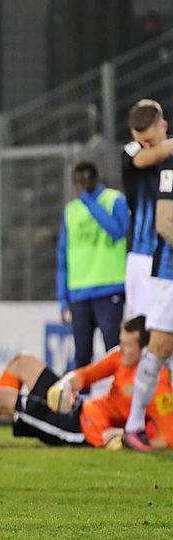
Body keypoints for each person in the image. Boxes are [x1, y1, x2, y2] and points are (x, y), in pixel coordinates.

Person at [0, 317, 173, 449]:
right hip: (78, 408)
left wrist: (128, 440)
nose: (121, 349)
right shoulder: (120, 358)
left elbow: (168, 437)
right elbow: (85, 375)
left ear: (146, 349)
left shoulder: (158, 384)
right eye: (121, 343)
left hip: (81, 431)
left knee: (2, 399)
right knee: (22, 362)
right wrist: (66, 385)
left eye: (128, 345)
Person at [123, 102, 173, 450]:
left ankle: (147, 421)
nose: (144, 143)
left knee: (161, 344)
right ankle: (130, 418)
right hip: (150, 261)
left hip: (158, 258)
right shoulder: (135, 153)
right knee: (145, 341)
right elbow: (145, 158)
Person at [56, 162, 128, 378]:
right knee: (81, 354)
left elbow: (118, 230)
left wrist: (90, 202)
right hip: (79, 291)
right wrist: (63, 298)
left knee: (114, 349)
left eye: (85, 182)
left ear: (96, 180)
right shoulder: (71, 210)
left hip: (109, 287)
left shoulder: (114, 200)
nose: (82, 187)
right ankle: (79, 398)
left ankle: (120, 393)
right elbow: (62, 255)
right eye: (78, 183)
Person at [121, 100, 172, 319]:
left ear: (163, 126)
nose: (146, 146)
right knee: (140, 326)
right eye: (140, 140)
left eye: (149, 140)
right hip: (142, 256)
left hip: (167, 253)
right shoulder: (131, 151)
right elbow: (146, 158)